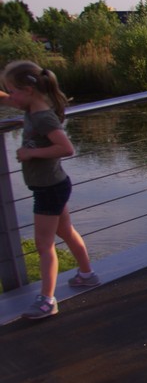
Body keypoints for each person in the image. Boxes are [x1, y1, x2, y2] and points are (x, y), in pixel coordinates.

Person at [0, 61, 98, 320]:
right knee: (65, 231)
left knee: (44, 245)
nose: (10, 96)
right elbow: (8, 100)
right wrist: (7, 94)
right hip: (53, 185)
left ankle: (47, 300)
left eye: (12, 90)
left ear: (28, 90)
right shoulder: (33, 106)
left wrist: (30, 153)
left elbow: (66, 148)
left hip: (49, 189)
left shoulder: (43, 117)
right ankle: (86, 274)